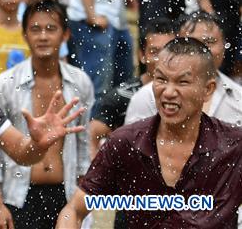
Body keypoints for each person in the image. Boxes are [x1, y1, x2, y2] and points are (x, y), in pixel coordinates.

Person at [56, 38, 242, 229]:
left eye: (183, 82)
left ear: (208, 89)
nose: (168, 92)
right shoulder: (125, 143)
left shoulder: (234, 146)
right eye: (161, 79)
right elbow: (74, 210)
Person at [0, 0, 94, 229]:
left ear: (65, 35)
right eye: (35, 29)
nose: (43, 36)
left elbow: (83, 144)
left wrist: (81, 205)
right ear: (24, 35)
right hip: (18, 196)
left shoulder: (80, 82)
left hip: (65, 195)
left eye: (51, 29)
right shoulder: (4, 84)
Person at [125, 12, 242, 128]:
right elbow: (134, 138)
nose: (201, 49)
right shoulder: (147, 97)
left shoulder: (239, 97)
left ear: (224, 45)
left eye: (209, 42)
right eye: (191, 43)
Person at [89, 17, 176, 155]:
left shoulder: (187, 92)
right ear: (142, 55)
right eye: (154, 52)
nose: (163, 58)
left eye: (169, 51)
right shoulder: (121, 96)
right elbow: (91, 135)